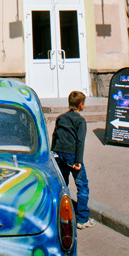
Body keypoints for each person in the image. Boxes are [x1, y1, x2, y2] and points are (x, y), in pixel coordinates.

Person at [51, 90, 95, 229]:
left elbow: (55, 134)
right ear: (81, 105)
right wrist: (78, 161)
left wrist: (53, 152)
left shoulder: (61, 117)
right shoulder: (80, 120)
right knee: (82, 186)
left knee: (62, 184)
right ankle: (82, 219)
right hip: (72, 156)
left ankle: (60, 214)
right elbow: (80, 142)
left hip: (59, 154)